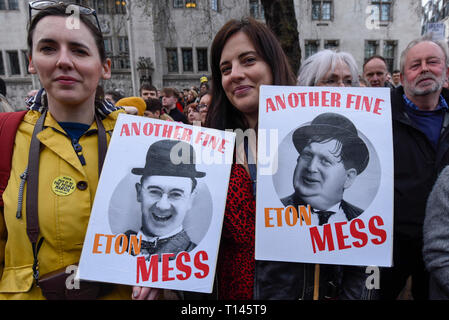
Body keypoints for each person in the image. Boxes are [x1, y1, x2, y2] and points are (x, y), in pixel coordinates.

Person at [0, 1, 132, 299]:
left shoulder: (139, 141)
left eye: (79, 50)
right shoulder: (6, 136)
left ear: (105, 67)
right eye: (48, 48)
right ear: (31, 61)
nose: (63, 61)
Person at [205, 17, 296, 299]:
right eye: (225, 68)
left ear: (272, 64)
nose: (235, 74)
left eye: (248, 60)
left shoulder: (312, 142)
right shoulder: (208, 148)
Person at [380, 35, 449, 300]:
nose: (424, 69)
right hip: (389, 243)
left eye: (432, 62)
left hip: (441, 245)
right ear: (401, 76)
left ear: (445, 70)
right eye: (415, 64)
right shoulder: (378, 115)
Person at [281, 112, 369, 225]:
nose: (311, 168)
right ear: (298, 159)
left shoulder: (362, 219)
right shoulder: (274, 210)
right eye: (308, 155)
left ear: (348, 177)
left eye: (325, 161)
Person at [125, 139, 204, 260]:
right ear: (139, 192)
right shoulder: (117, 246)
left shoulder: (195, 255)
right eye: (154, 192)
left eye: (176, 194)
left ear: (191, 199)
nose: (162, 206)